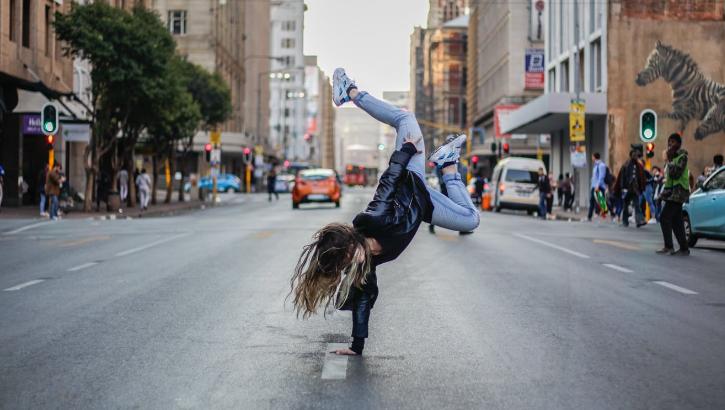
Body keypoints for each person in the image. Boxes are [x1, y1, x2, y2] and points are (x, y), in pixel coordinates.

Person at [289, 68, 479, 356]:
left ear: (352, 242)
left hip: (409, 177)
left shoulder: (371, 220)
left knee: (406, 118)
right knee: (471, 219)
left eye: (351, 253)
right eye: (348, 262)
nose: (356, 259)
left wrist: (404, 152)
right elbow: (362, 304)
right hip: (424, 206)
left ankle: (349, 91)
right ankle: (448, 161)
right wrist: (356, 347)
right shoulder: (363, 269)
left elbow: (388, 183)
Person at [656, 133, 690, 256]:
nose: (671, 144)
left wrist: (669, 160)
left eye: (674, 141)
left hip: (679, 193)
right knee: (677, 222)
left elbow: (676, 174)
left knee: (664, 217)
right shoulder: (672, 158)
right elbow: (669, 181)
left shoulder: (682, 156)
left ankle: (669, 246)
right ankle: (684, 248)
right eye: (669, 141)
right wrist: (661, 196)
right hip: (672, 193)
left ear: (679, 144)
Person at [614, 150, 647, 228]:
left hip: (635, 189)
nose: (635, 157)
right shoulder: (626, 165)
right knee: (625, 205)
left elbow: (641, 177)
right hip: (627, 189)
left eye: (636, 156)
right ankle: (625, 221)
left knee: (637, 205)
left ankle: (639, 220)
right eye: (634, 155)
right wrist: (622, 188)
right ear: (631, 156)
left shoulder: (639, 166)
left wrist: (640, 187)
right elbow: (622, 177)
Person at [587, 152, 607, 221]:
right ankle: (589, 216)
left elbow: (601, 176)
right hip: (594, 186)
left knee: (602, 201)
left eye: (592, 156)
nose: (592, 158)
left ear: (594, 157)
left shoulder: (601, 165)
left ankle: (613, 214)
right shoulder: (596, 165)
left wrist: (597, 186)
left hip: (598, 187)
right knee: (592, 201)